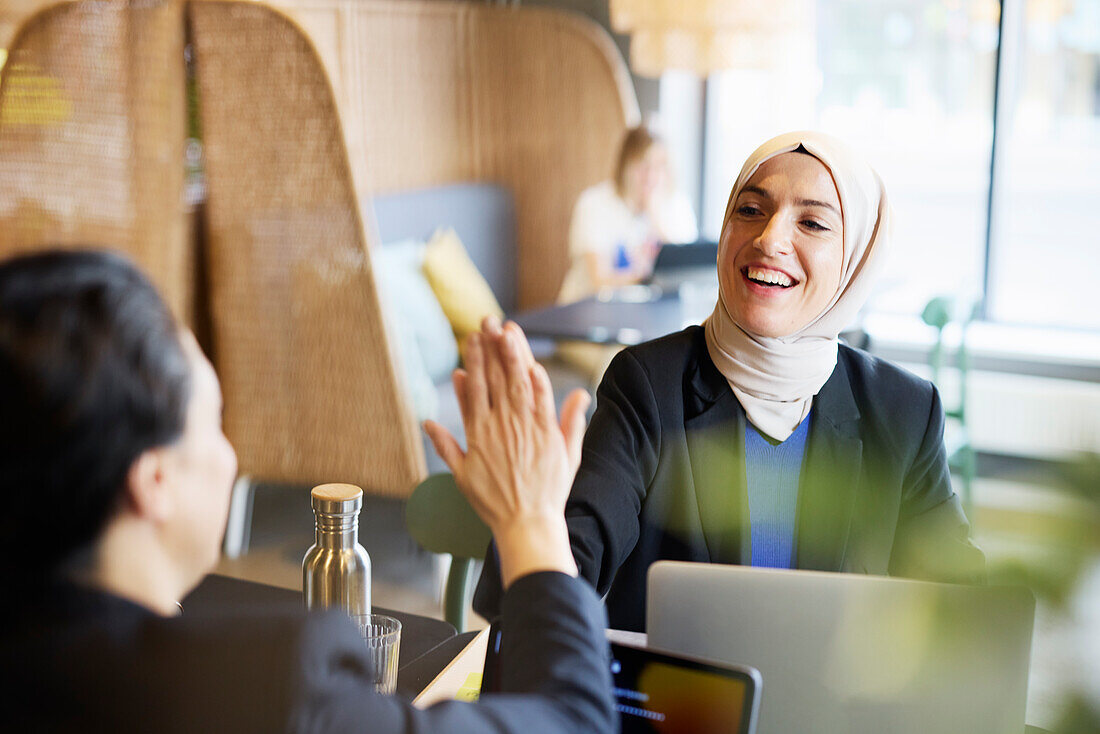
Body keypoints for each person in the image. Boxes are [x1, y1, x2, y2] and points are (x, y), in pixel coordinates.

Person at [0, 250, 614, 733]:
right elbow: (574, 721)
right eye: (214, 423)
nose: (229, 453)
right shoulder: (268, 689)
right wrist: (532, 520)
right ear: (153, 483)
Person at [475, 131, 987, 632]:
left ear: (855, 260)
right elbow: (559, 583)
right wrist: (528, 513)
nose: (770, 239)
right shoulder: (648, 385)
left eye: (811, 222)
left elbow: (962, 608)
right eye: (751, 210)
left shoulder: (904, 410)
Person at [557, 124, 698, 304]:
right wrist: (646, 277)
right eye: (642, 165)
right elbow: (599, 282)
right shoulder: (594, 203)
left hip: (650, 316)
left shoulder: (677, 206)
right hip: (588, 313)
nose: (650, 176)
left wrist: (656, 219)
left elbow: (685, 275)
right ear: (624, 165)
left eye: (659, 166)